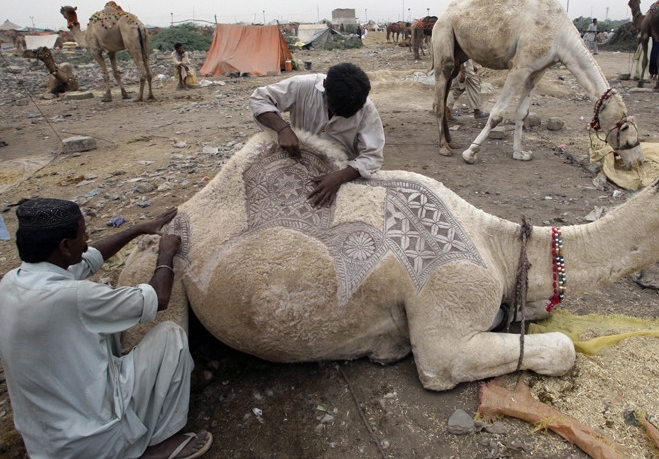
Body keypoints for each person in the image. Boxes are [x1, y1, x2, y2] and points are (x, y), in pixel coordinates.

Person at [0, 199, 213, 459]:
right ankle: (157, 443)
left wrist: (139, 229)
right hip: (92, 440)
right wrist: (166, 253)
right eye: (83, 233)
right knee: (171, 338)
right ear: (65, 246)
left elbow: (89, 259)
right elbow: (158, 298)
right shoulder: (73, 297)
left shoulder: (12, 281)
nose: (88, 238)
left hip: (45, 442)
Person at [249, 62, 385, 208]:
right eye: (333, 110)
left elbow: (372, 156)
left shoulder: (366, 108)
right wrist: (283, 129)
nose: (336, 115)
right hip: (299, 164)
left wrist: (340, 177)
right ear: (324, 87)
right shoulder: (303, 86)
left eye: (344, 116)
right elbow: (259, 99)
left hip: (343, 172)